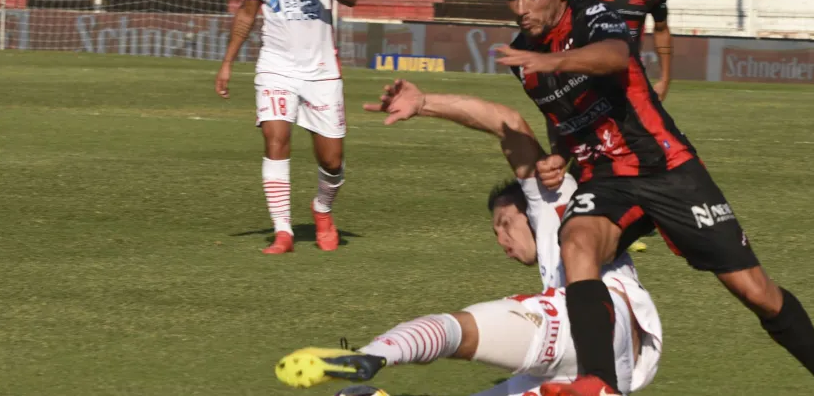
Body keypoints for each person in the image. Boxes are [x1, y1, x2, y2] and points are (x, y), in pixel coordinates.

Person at [493, 0, 814, 396]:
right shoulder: (523, 54)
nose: (522, 9)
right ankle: (599, 383)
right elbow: (562, 116)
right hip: (607, 177)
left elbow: (616, 56)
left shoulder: (593, 16)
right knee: (576, 242)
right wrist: (560, 154)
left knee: (757, 293)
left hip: (667, 168)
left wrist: (554, 62)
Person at [275, 80, 662, 395]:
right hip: (615, 368)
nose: (502, 240)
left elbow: (504, 120)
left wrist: (425, 102)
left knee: (457, 329)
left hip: (593, 321)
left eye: (504, 223)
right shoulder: (565, 239)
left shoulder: (552, 198)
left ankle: (372, 355)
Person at [214, 0, 357, 254]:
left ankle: (322, 210)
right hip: (275, 68)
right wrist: (228, 62)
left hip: (321, 71)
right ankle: (283, 232)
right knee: (275, 140)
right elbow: (247, 13)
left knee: (332, 161)